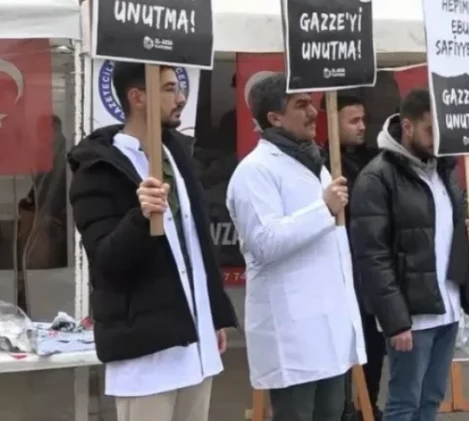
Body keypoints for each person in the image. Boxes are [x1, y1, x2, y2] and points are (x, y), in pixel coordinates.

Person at [69, 62, 237, 421]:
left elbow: (196, 245)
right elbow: (106, 263)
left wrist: (213, 313)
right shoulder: (99, 171)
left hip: (196, 345)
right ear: (138, 97)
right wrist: (139, 217)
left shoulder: (178, 155)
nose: (179, 98)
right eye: (168, 89)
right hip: (147, 355)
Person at [226, 73, 365, 421]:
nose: (313, 112)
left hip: (330, 331)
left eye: (312, 103)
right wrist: (324, 209)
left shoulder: (315, 166)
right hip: (294, 336)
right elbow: (264, 243)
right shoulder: (254, 172)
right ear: (274, 118)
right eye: (300, 105)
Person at [350, 88, 469, 421]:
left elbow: (449, 223)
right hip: (412, 316)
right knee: (404, 403)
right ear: (407, 127)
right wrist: (395, 321)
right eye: (430, 130)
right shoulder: (377, 177)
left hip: (448, 306)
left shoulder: (444, 170)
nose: (438, 139)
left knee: (431, 400)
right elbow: (371, 256)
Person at [322, 92, 385, 421]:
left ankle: (367, 403)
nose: (362, 127)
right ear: (333, 122)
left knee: (374, 344)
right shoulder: (319, 162)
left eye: (363, 120)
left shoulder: (376, 160)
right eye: (353, 121)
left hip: (370, 268)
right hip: (339, 269)